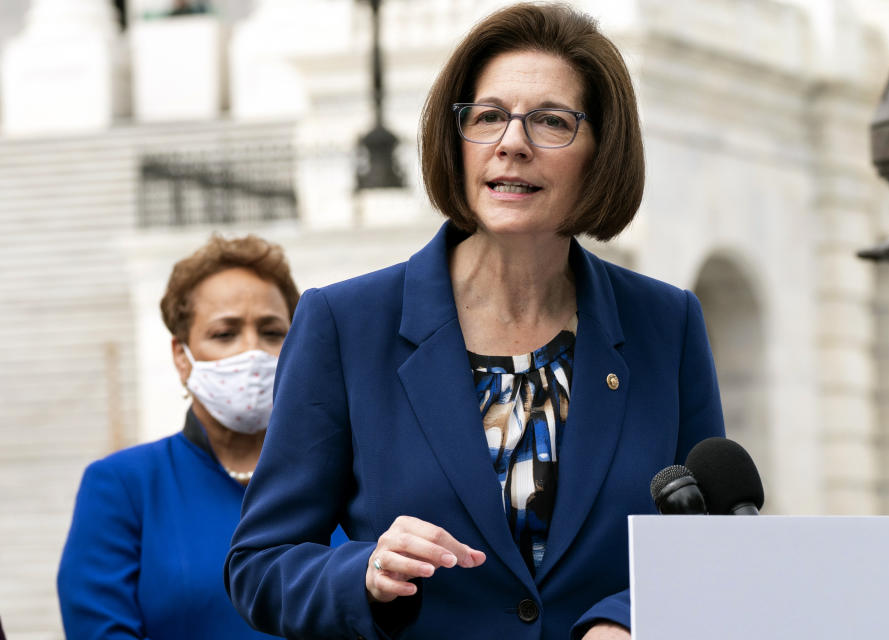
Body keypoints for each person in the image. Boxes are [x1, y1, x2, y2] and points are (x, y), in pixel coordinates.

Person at [225, 4, 724, 639]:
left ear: (603, 151)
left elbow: (705, 541)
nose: (512, 143)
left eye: (550, 121)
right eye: (487, 118)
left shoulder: (667, 325)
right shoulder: (344, 324)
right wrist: (365, 574)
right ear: (456, 143)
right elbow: (260, 565)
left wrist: (624, 620)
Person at [57, 235, 332, 639]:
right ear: (181, 355)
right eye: (225, 334)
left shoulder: (342, 476)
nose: (252, 353)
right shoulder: (123, 485)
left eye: (273, 333)